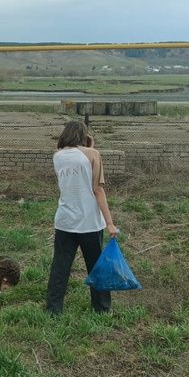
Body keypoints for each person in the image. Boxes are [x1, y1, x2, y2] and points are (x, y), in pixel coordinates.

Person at [47, 121, 118, 315]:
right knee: (96, 266)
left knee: (60, 266)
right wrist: (110, 223)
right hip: (89, 222)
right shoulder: (93, 154)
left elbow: (77, 168)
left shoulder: (57, 156)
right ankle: (102, 308)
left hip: (64, 221)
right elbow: (97, 189)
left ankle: (53, 309)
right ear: (83, 136)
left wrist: (88, 149)